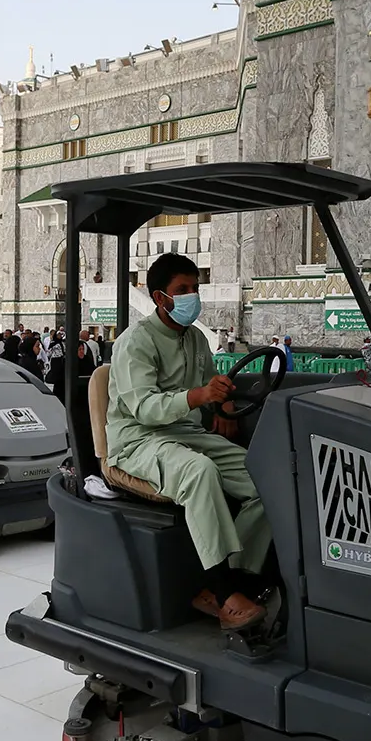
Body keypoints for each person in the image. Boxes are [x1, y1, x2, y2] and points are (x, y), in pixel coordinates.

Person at [106, 254, 272, 628]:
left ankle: (234, 578)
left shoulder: (196, 337)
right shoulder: (136, 342)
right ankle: (225, 592)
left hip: (185, 432)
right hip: (137, 439)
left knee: (265, 478)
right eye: (182, 290)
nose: (191, 297)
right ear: (159, 297)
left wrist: (223, 399)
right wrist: (199, 397)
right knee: (199, 471)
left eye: (195, 288)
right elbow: (144, 408)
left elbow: (212, 378)